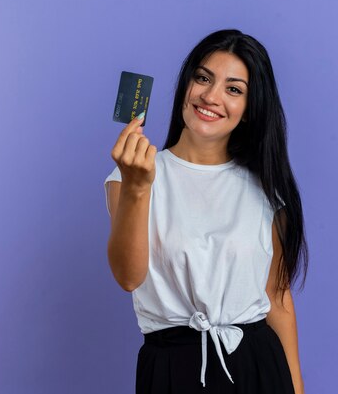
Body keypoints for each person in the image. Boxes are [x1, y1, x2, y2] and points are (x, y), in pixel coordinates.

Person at [104, 29, 308, 394]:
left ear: (249, 109)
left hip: (257, 365)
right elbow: (128, 276)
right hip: (171, 368)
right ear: (186, 84)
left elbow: (277, 297)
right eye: (203, 78)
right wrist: (138, 186)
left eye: (234, 89)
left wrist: (296, 387)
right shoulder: (134, 174)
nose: (211, 96)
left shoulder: (264, 188)